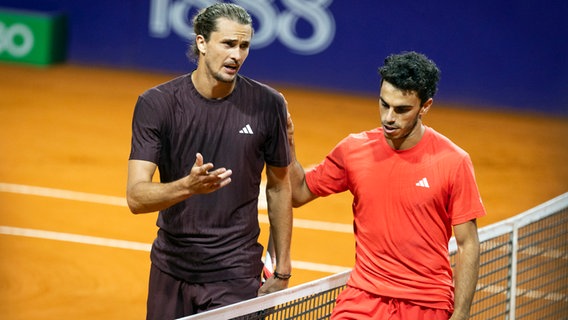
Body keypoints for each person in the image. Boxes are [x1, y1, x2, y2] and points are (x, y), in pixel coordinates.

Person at [287, 51, 485, 320]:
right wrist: (285, 143)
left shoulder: (454, 161)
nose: (389, 117)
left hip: (426, 303)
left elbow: (467, 244)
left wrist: (460, 315)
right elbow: (298, 193)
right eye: (384, 104)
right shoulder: (353, 150)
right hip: (363, 298)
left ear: (425, 107)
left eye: (402, 109)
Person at [126, 3, 292, 319]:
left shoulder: (268, 104)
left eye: (244, 46)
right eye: (228, 44)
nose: (237, 55)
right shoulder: (156, 104)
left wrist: (281, 266)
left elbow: (280, 185)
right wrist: (187, 187)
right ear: (202, 42)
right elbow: (136, 197)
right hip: (171, 267)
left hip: (235, 271)